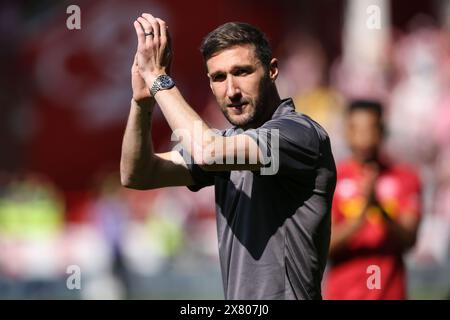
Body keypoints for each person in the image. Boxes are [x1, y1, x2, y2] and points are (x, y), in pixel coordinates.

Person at [120, 13, 336, 300]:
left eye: (242, 72)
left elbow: (208, 153)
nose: (231, 90)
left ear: (272, 70)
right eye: (219, 77)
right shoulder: (227, 144)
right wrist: (142, 101)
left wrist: (159, 80)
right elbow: (137, 174)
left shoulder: (299, 134)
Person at [324, 100, 422, 300]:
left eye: (369, 129)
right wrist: (359, 218)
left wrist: (377, 207)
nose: (364, 138)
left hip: (390, 292)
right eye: (356, 129)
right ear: (347, 132)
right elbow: (323, 247)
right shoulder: (330, 179)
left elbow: (409, 239)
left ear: (382, 131)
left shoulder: (406, 178)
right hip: (344, 293)